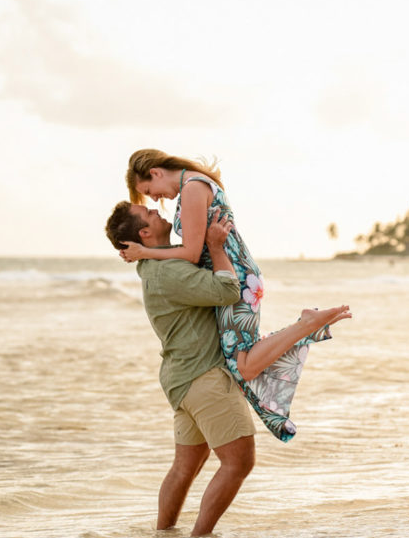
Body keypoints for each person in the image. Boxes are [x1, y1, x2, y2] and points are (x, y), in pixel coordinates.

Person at [119, 149, 349, 442]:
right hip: (238, 273)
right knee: (243, 360)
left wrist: (144, 252)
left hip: (235, 278)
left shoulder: (191, 189)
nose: (154, 199)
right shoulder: (197, 184)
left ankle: (305, 324)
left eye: (149, 191)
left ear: (155, 173)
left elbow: (190, 254)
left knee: (245, 365)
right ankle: (304, 325)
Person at [104, 203, 251, 534]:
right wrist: (215, 246)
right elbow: (228, 291)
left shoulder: (154, 265)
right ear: (144, 233)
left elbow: (180, 252)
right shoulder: (168, 270)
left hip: (182, 379)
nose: (157, 210)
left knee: (186, 466)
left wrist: (142, 251)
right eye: (150, 213)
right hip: (204, 377)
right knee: (239, 462)